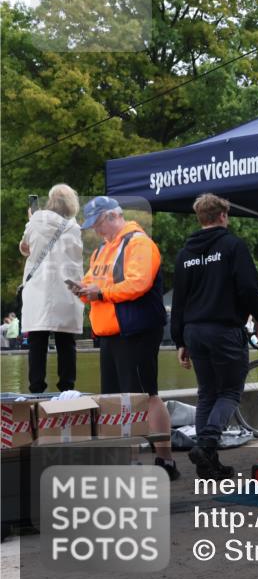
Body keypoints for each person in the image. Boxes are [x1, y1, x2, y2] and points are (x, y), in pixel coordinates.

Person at [73, 197, 176, 479]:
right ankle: (127, 461)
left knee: (145, 396)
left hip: (136, 330)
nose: (96, 231)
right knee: (117, 399)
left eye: (97, 224)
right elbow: (93, 282)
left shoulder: (139, 243)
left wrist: (101, 292)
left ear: (112, 216)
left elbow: (138, 283)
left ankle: (165, 460)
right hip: (110, 333)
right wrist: (82, 289)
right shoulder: (102, 250)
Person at [172, 194, 258, 480]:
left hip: (194, 331)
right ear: (223, 216)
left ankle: (208, 464)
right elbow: (248, 288)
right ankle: (206, 445)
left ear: (200, 218)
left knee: (207, 393)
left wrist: (180, 341)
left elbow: (179, 300)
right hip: (224, 330)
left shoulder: (185, 254)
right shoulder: (233, 246)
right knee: (229, 392)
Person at [18, 185, 84, 393]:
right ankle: (67, 388)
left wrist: (31, 220)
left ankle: (37, 389)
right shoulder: (74, 227)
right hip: (65, 288)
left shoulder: (36, 221)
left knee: (37, 340)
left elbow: (25, 248)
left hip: (39, 287)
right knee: (66, 341)